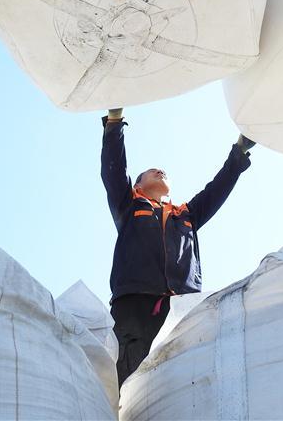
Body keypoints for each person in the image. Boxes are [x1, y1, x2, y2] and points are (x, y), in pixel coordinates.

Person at [100, 107, 256, 386]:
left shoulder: (186, 215)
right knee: (130, 383)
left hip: (183, 310)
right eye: (150, 171)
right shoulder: (129, 206)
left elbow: (217, 189)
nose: (159, 171)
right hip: (135, 309)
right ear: (137, 186)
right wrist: (114, 123)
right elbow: (114, 169)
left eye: (163, 172)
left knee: (184, 385)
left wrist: (240, 150)